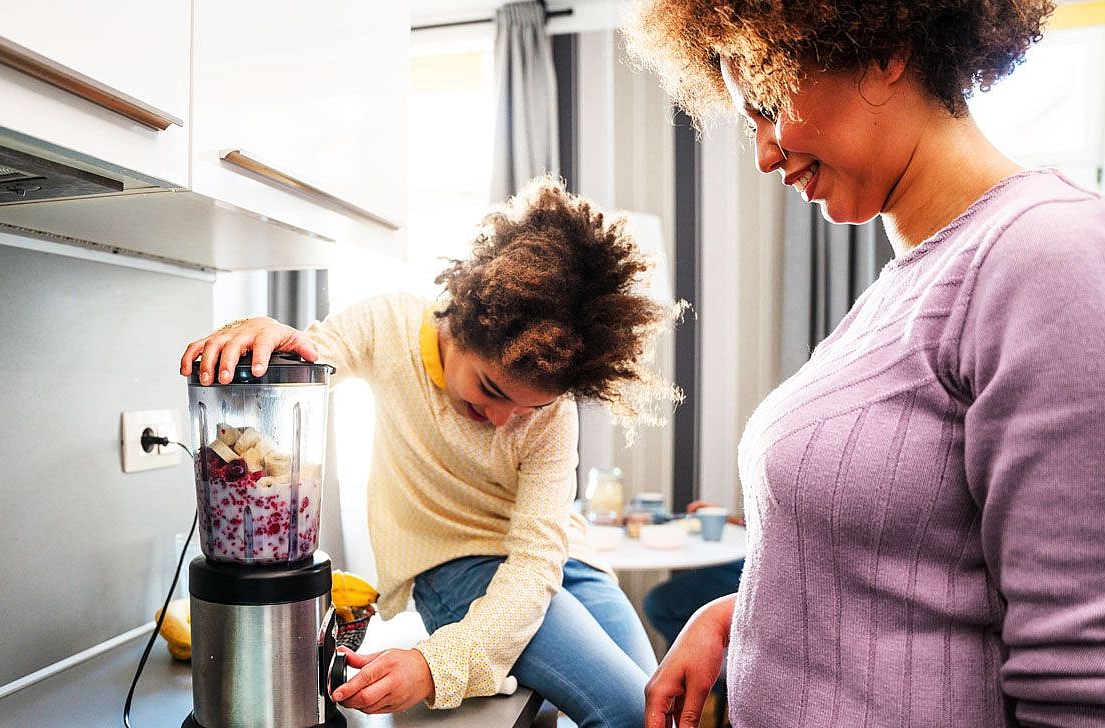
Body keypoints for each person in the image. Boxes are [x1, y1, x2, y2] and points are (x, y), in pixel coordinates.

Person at [623, 1, 1105, 727]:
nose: (763, 153)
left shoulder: (1046, 254)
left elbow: (1080, 677)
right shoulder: (899, 290)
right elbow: (908, 567)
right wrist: (732, 616)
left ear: (886, 49)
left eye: (766, 105)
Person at [181, 177, 676, 725]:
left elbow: (537, 561)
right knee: (632, 711)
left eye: (528, 409)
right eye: (490, 389)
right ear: (461, 319)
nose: (502, 419)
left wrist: (435, 665)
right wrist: (266, 333)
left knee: (661, 711)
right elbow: (314, 352)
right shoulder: (390, 325)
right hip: (455, 568)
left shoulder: (554, 413)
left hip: (564, 564)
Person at [641, 502, 743, 648]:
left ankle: (704, 663)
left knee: (659, 603)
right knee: (661, 602)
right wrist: (727, 519)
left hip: (759, 570)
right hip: (751, 559)